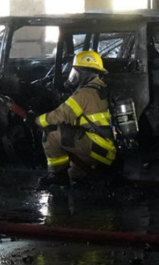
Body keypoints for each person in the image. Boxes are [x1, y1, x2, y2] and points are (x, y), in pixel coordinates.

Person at [35, 50, 117, 186]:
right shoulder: (101, 88)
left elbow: (60, 115)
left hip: (97, 148)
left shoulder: (84, 93)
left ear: (85, 72)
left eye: (76, 72)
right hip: (106, 147)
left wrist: (37, 120)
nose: (73, 76)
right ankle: (85, 172)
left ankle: (58, 175)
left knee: (51, 133)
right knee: (75, 174)